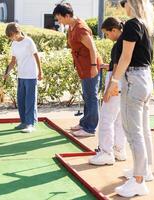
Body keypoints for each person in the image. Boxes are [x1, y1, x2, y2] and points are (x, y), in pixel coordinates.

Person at [103, 0, 154, 197]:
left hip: (133, 80)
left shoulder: (133, 24)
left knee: (133, 133)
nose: (122, 6)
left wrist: (115, 82)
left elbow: (126, 57)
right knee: (143, 130)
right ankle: (144, 171)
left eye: (123, 2)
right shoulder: (146, 23)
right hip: (145, 79)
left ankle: (138, 180)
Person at [53, 3, 101, 137]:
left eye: (60, 18)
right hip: (82, 66)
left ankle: (90, 128)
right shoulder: (71, 26)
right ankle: (84, 123)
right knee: (86, 95)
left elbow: (92, 49)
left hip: (90, 66)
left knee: (91, 96)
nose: (59, 21)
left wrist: (93, 67)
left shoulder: (81, 29)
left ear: (67, 16)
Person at [89, 17, 127, 166]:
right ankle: (119, 150)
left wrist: (110, 88)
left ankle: (106, 152)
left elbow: (117, 67)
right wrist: (107, 66)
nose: (107, 37)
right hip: (124, 81)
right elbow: (117, 64)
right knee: (119, 119)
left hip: (116, 81)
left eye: (107, 33)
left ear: (114, 30)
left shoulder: (118, 44)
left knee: (106, 118)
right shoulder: (126, 42)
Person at [4, 23, 43, 133]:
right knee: (21, 100)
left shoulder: (28, 41)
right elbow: (13, 61)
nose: (11, 38)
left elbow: (36, 56)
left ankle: (30, 123)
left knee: (30, 100)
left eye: (11, 36)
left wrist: (40, 72)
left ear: (16, 32)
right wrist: (7, 72)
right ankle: (24, 122)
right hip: (21, 75)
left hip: (31, 75)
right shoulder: (14, 44)